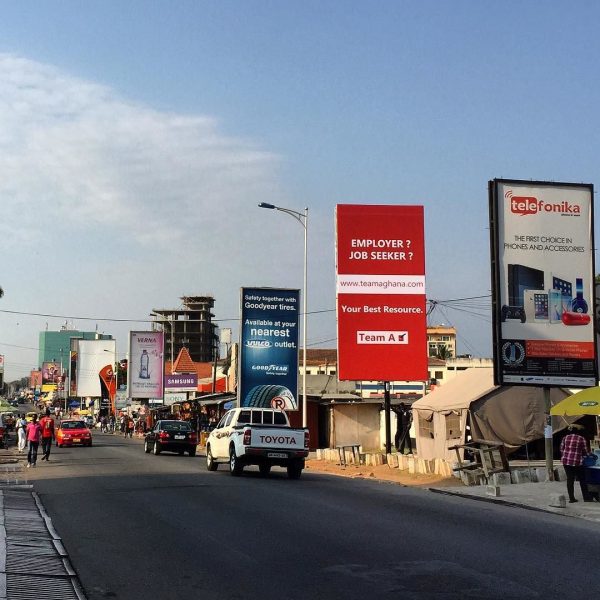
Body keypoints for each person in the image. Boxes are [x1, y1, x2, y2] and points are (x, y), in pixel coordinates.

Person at [560, 424, 592, 503]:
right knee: (582, 479)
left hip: (566, 461)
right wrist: (589, 455)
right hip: (577, 462)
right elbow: (585, 452)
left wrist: (567, 455)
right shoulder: (581, 439)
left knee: (570, 479)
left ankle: (571, 498)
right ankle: (586, 498)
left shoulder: (565, 438)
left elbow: (561, 449)